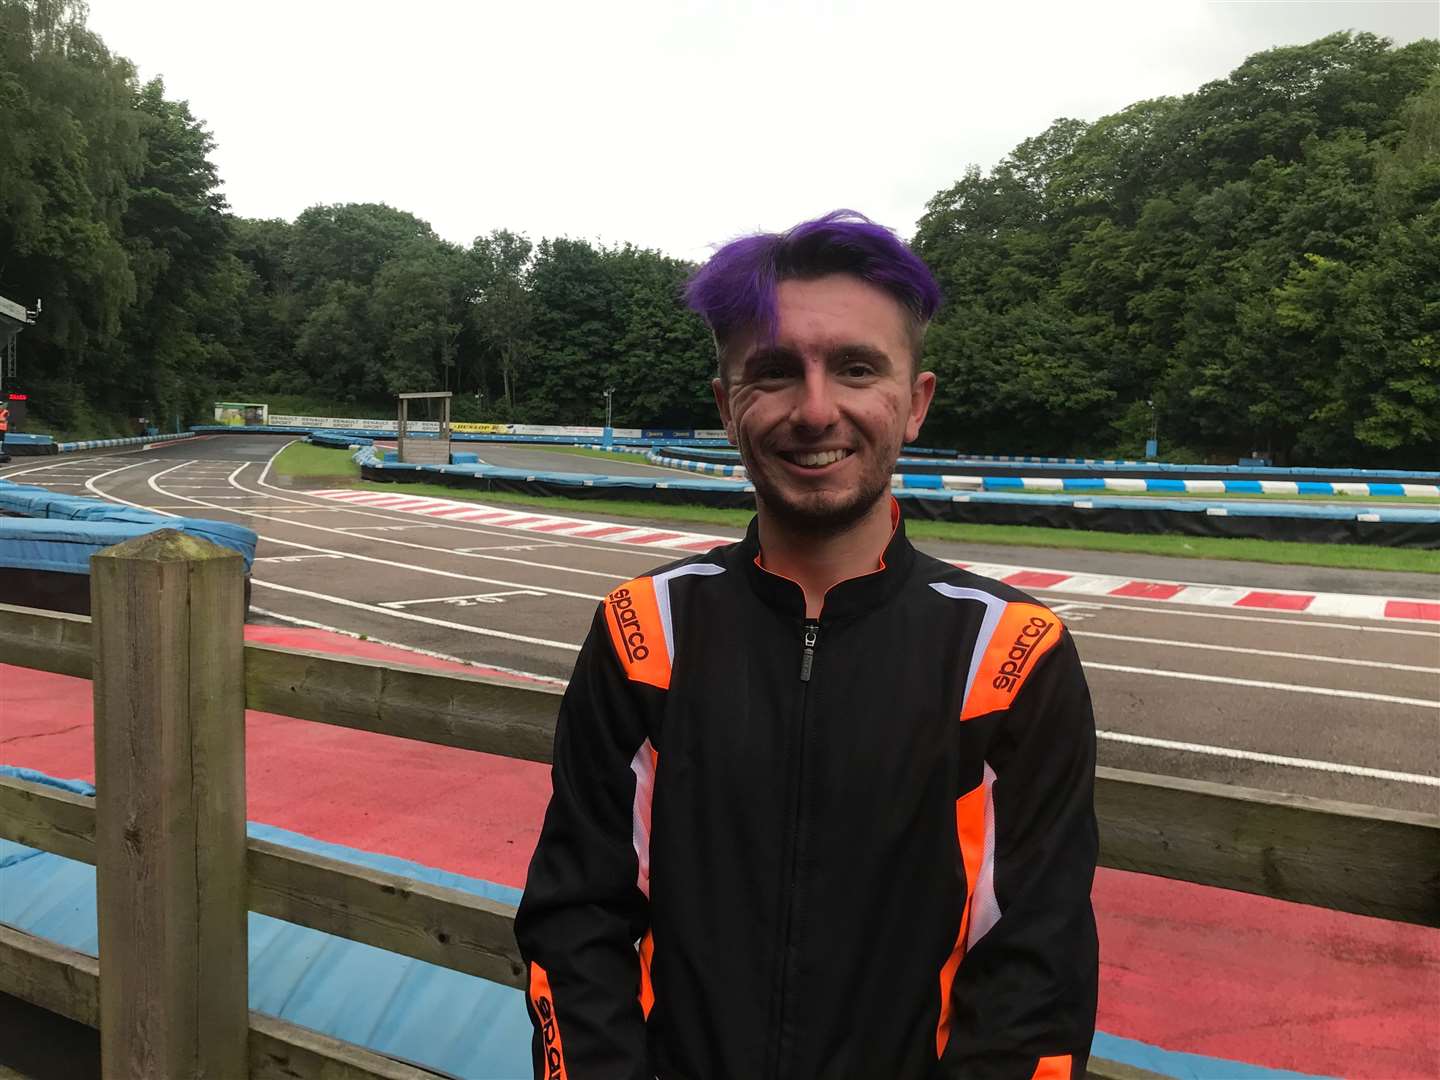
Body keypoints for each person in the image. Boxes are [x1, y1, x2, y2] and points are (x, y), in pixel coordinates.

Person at [515, 210, 1099, 1080]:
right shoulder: (644, 633)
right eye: (775, 373)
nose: (816, 410)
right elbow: (577, 922)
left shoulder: (1010, 655)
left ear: (915, 403)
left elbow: (1034, 976)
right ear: (726, 407)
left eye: (857, 368)